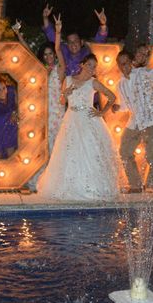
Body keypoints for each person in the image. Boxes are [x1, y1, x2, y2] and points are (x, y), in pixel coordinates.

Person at [38, 54, 121, 200]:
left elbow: (112, 96)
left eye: (94, 66)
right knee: (70, 152)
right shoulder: (69, 79)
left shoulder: (93, 82)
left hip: (88, 120)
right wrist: (65, 93)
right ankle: (71, 187)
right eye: (89, 65)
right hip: (71, 118)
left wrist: (101, 112)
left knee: (90, 151)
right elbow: (62, 101)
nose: (91, 68)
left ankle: (93, 188)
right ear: (82, 64)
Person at [113, 50, 153, 192]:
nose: (124, 66)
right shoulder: (120, 84)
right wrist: (117, 107)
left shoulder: (143, 73)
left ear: (131, 62)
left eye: (126, 62)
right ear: (118, 66)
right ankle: (136, 185)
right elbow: (125, 105)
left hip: (152, 119)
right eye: (121, 64)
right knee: (124, 151)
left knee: (152, 153)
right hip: (135, 121)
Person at [14, 15, 66, 152]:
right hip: (43, 111)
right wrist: (19, 35)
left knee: (58, 142)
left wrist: (58, 32)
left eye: (51, 54)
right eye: (45, 55)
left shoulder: (59, 70)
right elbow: (28, 53)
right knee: (45, 143)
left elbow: (59, 49)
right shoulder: (41, 70)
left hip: (57, 111)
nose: (48, 57)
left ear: (54, 55)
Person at [41, 3, 108, 76]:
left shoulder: (87, 52)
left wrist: (103, 25)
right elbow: (52, 37)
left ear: (81, 42)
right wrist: (45, 18)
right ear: (67, 44)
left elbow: (99, 42)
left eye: (75, 41)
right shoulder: (64, 50)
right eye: (70, 42)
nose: (73, 44)